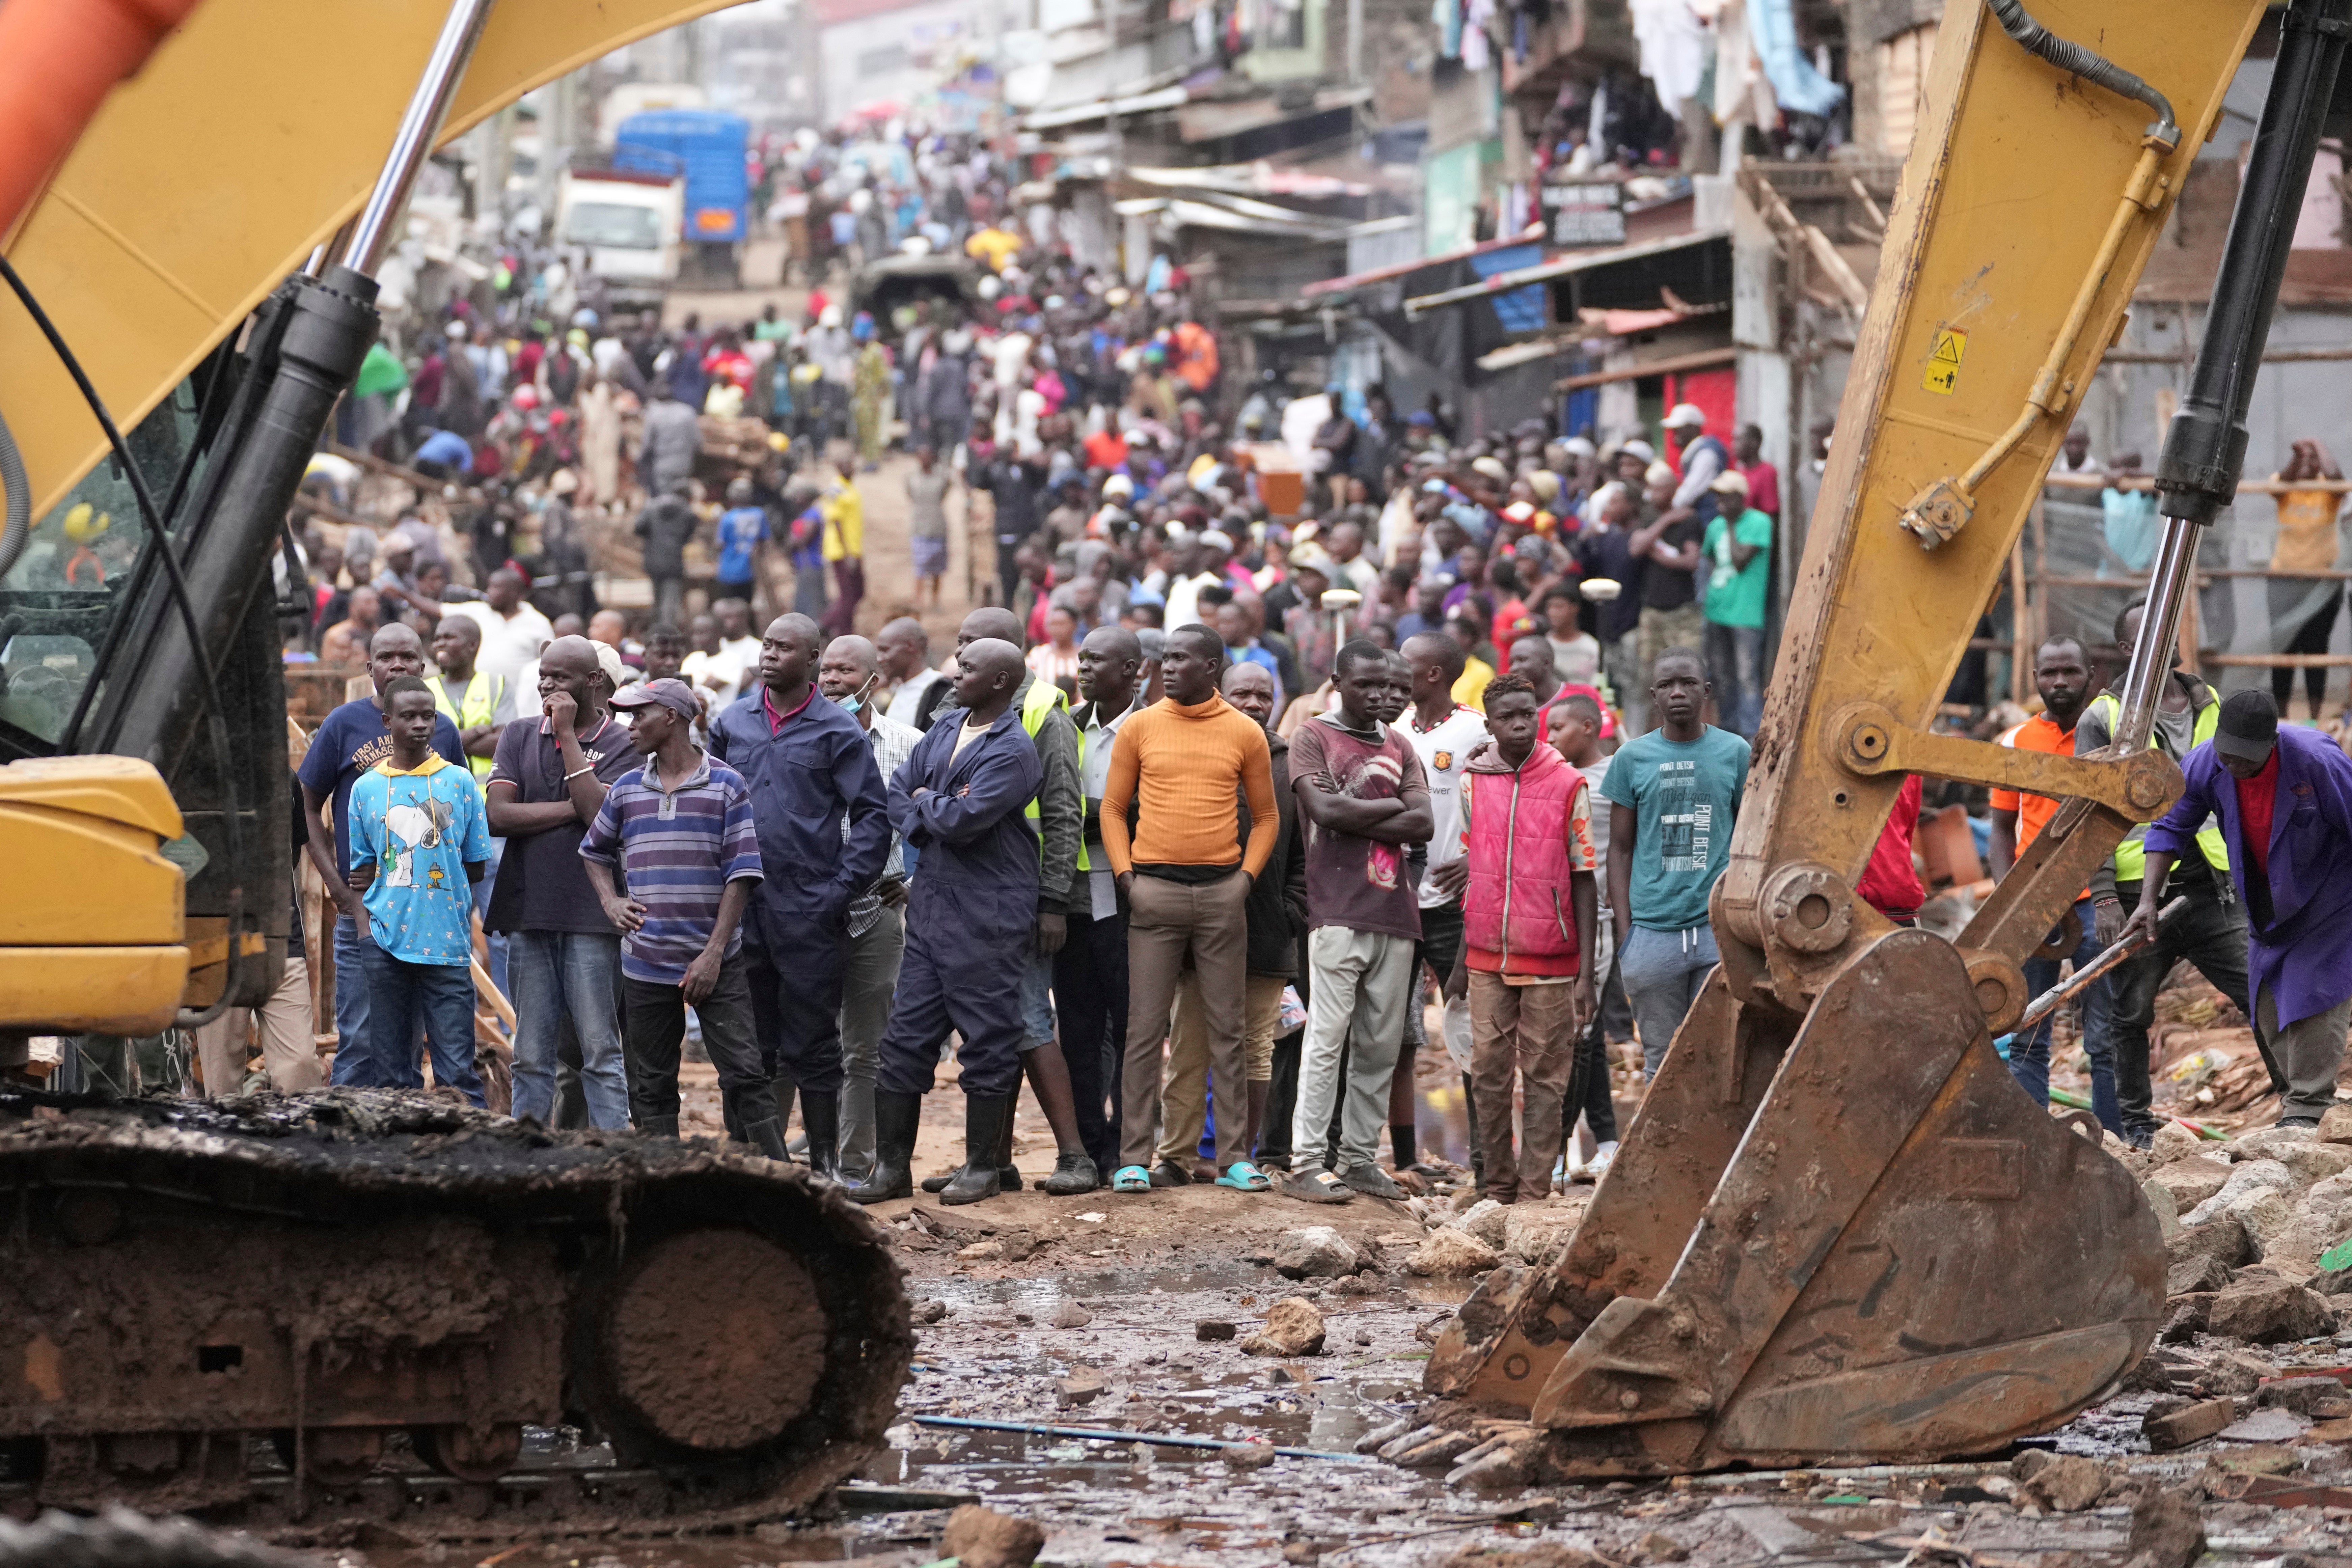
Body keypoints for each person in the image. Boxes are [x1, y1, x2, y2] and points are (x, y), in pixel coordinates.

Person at [849, 639, 1044, 1205]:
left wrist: (926, 804)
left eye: (970, 669)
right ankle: (891, 1169)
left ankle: (984, 1166)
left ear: (1003, 681)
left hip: (989, 915)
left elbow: (966, 821)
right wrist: (934, 803)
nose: (956, 677)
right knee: (905, 1040)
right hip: (932, 908)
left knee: (986, 1041)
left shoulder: (1013, 750)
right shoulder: (945, 725)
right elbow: (896, 793)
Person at [1100, 622, 1281, 1195]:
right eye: (1166, 659)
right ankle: (1134, 1157)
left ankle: (1234, 1158)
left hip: (1223, 895)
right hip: (1153, 892)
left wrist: (1244, 880)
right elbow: (1111, 808)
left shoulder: (1243, 733)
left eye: (1180, 658)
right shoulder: (1142, 726)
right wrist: (1128, 878)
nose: (1166, 667)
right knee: (1144, 1030)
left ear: (1211, 668)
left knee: (1229, 1031)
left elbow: (1269, 817)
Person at [708, 612, 888, 1176]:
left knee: (813, 1042)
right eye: (767, 646)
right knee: (749, 1044)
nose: (770, 655)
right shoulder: (732, 721)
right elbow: (707, 801)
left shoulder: (837, 729)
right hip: (740, 908)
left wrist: (839, 891)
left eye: (784, 648)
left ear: (811, 659)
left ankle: (827, 1163)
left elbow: (874, 818)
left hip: (809, 908)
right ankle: (750, 1162)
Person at [2123, 690, 2352, 1128]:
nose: (2235, 765)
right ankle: (2295, 1101)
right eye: (2228, 755)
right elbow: (2171, 825)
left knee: (2314, 992)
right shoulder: (2207, 761)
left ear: (2272, 741)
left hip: (2329, 893)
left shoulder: (2313, 759)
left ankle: (2307, 1107)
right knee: (2266, 1002)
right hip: (2265, 896)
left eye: (2247, 758)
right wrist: (2148, 900)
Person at [2074, 603, 2248, 1147]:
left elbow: (2234, 792)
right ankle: (2139, 1130)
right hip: (2133, 892)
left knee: (2259, 990)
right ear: (2127, 650)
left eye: (2169, 630)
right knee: (2128, 1015)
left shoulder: (2210, 702)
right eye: (2148, 635)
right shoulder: (2102, 717)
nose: (2165, 641)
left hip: (2211, 884)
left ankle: (2297, 1110)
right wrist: (2103, 899)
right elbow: (2087, 813)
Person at [579, 678, 776, 1149]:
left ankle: (777, 1177)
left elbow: (742, 874)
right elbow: (594, 851)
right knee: (650, 1082)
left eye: (638, 715)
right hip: (646, 960)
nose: (629, 727)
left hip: (715, 961)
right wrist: (611, 901)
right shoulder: (627, 788)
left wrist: (711, 955)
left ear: (670, 717)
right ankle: (663, 1184)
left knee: (745, 1074)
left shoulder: (727, 785)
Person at [1282, 640, 1433, 1204]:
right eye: (1365, 683)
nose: (1377, 694)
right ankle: (1305, 1163)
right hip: (1337, 909)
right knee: (1328, 1036)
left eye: (1386, 685)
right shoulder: (1313, 737)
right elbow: (1325, 811)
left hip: (1396, 911)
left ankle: (1360, 1160)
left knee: (1379, 1043)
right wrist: (1396, 809)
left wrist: (1376, 816)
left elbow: (1427, 823)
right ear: (1337, 680)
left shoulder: (1399, 743)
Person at [1153, 661, 1307, 1183]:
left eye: (1264, 694)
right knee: (1191, 1048)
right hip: (1198, 928)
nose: (1255, 703)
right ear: (1222, 692)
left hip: (1266, 929)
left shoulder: (1287, 760)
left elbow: (1303, 851)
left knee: (1254, 1050)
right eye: (1243, 692)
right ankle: (1175, 1156)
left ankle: (1236, 1156)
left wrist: (1292, 909)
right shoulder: (1199, 747)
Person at [1447, 673, 1597, 1204]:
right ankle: (1497, 1186)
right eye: (1507, 717)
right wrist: (1461, 959)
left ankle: (1534, 1189)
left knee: (1545, 1072)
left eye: (1527, 715)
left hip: (1552, 958)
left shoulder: (1566, 783)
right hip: (1487, 952)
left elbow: (1584, 876)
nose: (1519, 724)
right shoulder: (1472, 780)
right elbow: (1475, 870)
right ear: (1488, 724)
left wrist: (1585, 969)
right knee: (1487, 1070)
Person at [483, 634, 639, 1130]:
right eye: (544, 674)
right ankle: (528, 1154)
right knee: (530, 1051)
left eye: (561, 676)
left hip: (593, 915)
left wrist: (568, 735)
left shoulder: (622, 742)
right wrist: (575, 807)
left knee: (599, 1048)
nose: (547, 684)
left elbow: (601, 817)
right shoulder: (519, 735)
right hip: (530, 909)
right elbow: (498, 815)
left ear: (594, 681)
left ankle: (614, 1153)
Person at [296, 623, 466, 1078]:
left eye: (408, 656)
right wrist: (339, 888)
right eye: (387, 657)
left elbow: (460, 814)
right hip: (364, 912)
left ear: (423, 665)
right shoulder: (342, 724)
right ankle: (351, 1142)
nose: (398, 665)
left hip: (426, 913)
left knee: (410, 1043)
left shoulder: (443, 730)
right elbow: (306, 806)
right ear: (369, 667)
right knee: (361, 1040)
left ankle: (405, 1141)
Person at [1602, 648, 1749, 1077]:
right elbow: (1620, 847)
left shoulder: (1734, 752)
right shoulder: (1632, 758)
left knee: (1721, 1060)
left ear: (1706, 691)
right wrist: (1626, 933)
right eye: (1667, 685)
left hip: (1717, 932)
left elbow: (1748, 837)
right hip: (1651, 935)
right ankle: (1659, 1146)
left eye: (1687, 683)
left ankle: (1721, 1147)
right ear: (1654, 696)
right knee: (1662, 1064)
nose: (1678, 693)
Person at [344, 676, 490, 1105]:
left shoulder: (460, 783)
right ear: (388, 722)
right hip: (385, 944)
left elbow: (475, 864)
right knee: (390, 1073)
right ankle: (399, 1162)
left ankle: (470, 1158)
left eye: (429, 716)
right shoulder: (366, 788)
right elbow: (362, 872)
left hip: (447, 945)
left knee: (458, 1071)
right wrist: (366, 934)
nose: (421, 725)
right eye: (408, 716)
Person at [1985, 635, 2113, 1119]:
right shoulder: (2016, 741)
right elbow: (2000, 829)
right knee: (2028, 1031)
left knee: (2105, 1037)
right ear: (2034, 678)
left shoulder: (2108, 734)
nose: (2059, 682)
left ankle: (2116, 1144)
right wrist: (2009, 901)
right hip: (2034, 904)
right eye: (2048, 673)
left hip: (2095, 901)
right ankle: (2031, 1130)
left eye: (2070, 672)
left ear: (2091, 674)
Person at [819, 634, 921, 1183]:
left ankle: (857, 1164)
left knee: (865, 1046)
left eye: (844, 670)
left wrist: (915, 880)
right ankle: (806, 1156)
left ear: (871, 681)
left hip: (877, 909)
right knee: (806, 1042)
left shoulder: (908, 743)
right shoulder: (801, 740)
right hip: (809, 912)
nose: (833, 679)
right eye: (827, 670)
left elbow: (939, 816)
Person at [1398, 631, 1490, 1180]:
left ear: (1434, 673)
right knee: (1396, 1031)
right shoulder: (1394, 728)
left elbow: (1499, 802)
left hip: (1456, 902)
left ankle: (1483, 1158)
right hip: (1400, 897)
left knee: (1467, 1024)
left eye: (1406, 664)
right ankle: (1406, 1157)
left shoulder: (1475, 730)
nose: (1395, 671)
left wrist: (1476, 857)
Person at [1060, 625, 1146, 1177]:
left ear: (1133, 671)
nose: (1084, 669)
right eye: (1081, 659)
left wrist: (1090, 811)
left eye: (1097, 660)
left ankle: (1124, 1146)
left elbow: (1146, 808)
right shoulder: (1066, 727)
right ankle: (1088, 1146)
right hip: (1071, 900)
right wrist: (1099, 811)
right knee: (1078, 1027)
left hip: (1131, 898)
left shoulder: (1154, 728)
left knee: (1132, 1026)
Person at [193, 778, 325, 1097]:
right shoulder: (195, 778)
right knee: (221, 1080)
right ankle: (227, 1146)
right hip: (216, 947)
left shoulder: (284, 777)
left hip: (281, 943)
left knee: (301, 1069)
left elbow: (291, 854)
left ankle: (298, 1144)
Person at [1549, 693, 1622, 1180]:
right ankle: (1607, 1141)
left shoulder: (1614, 776)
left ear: (1590, 727)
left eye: (1558, 728)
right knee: (1584, 1035)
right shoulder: (1554, 774)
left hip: (1597, 914)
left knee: (1580, 1032)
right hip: (1560, 917)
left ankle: (1555, 1154)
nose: (1549, 737)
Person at [2269, 438, 2345, 718]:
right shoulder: (2285, 485)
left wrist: (2317, 445)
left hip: (2322, 584)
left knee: (2316, 649)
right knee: (2283, 648)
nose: (2308, 464)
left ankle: (2314, 716)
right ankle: (2282, 716)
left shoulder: (2328, 489)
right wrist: (2297, 455)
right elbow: (2284, 479)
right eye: (2304, 460)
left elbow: (2338, 476)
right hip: (2283, 581)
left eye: (2314, 460)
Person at [1699, 469, 1772, 738]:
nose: (1720, 502)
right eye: (1717, 497)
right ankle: (1729, 730)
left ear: (1740, 497)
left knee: (1747, 676)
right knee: (1721, 675)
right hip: (1717, 610)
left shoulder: (1759, 522)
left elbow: (1740, 560)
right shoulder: (1715, 525)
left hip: (1746, 613)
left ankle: (1752, 734)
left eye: (1725, 497)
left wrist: (1730, 524)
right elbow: (1708, 559)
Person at [426, 613, 514, 783]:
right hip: (442, 796)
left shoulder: (497, 684)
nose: (440, 644)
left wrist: (448, 742)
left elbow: (505, 743)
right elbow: (426, 746)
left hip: (489, 797)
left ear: (473, 645)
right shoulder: (425, 690)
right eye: (437, 639)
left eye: (449, 637)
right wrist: (476, 732)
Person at [446, 566, 554, 687]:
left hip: (520, 696)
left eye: (496, 588)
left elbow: (550, 662)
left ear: (514, 593)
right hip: (480, 695)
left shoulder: (538, 622)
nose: (489, 593)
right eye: (490, 587)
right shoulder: (479, 611)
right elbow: (438, 610)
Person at [635, 481, 698, 633]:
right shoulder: (687, 511)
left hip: (653, 560)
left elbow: (638, 528)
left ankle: (656, 634)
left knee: (656, 600)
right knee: (670, 601)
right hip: (674, 561)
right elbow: (689, 534)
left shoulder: (652, 507)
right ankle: (667, 633)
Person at [820, 444, 866, 638]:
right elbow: (836, 521)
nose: (850, 467)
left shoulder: (850, 487)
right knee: (848, 595)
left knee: (858, 592)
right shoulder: (836, 489)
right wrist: (847, 553)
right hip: (841, 551)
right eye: (845, 464)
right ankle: (837, 629)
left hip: (854, 549)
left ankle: (830, 624)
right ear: (838, 466)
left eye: (852, 463)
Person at [879, 616, 953, 731]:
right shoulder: (898, 690)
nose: (879, 659)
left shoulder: (941, 690)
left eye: (885, 650)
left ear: (910, 647)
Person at [907, 442, 953, 610]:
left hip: (937, 526)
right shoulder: (912, 478)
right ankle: (919, 601)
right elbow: (911, 494)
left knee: (937, 569)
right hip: (919, 527)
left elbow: (946, 490)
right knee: (920, 568)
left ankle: (935, 600)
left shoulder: (941, 476)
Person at [715, 477, 769, 607]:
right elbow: (763, 541)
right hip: (750, 570)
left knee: (729, 609)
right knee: (746, 607)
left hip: (728, 570)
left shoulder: (727, 518)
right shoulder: (759, 514)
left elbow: (720, 545)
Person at [319, 585, 381, 668]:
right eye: (368, 602)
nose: (374, 607)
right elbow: (328, 670)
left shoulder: (381, 634)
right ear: (353, 607)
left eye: (376, 602)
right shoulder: (335, 635)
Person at [1734, 423, 1780, 523]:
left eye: (1739, 440)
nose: (1734, 445)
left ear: (1754, 443)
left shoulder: (1767, 472)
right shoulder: (1739, 472)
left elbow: (1772, 515)